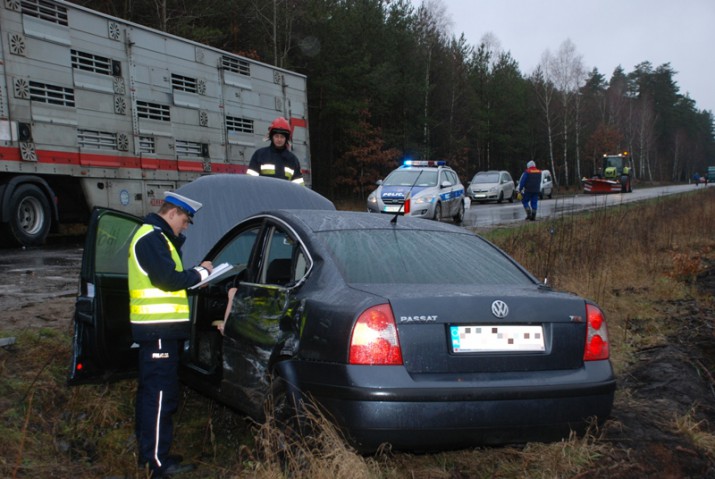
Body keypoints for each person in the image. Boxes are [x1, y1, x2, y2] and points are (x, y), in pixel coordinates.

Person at [128, 191, 213, 477]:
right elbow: (167, 280)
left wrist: (193, 279)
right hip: (159, 331)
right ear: (173, 212)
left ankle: (150, 453)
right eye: (186, 220)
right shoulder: (152, 238)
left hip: (160, 331)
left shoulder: (157, 238)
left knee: (152, 393)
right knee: (160, 396)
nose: (186, 227)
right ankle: (157, 463)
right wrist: (201, 273)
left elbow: (169, 281)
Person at [246, 116, 305, 185]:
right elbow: (250, 182)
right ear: (271, 137)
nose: (279, 139)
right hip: (264, 195)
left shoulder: (293, 160)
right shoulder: (259, 155)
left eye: (282, 137)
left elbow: (299, 188)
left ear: (286, 139)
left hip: (285, 196)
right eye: (276, 136)